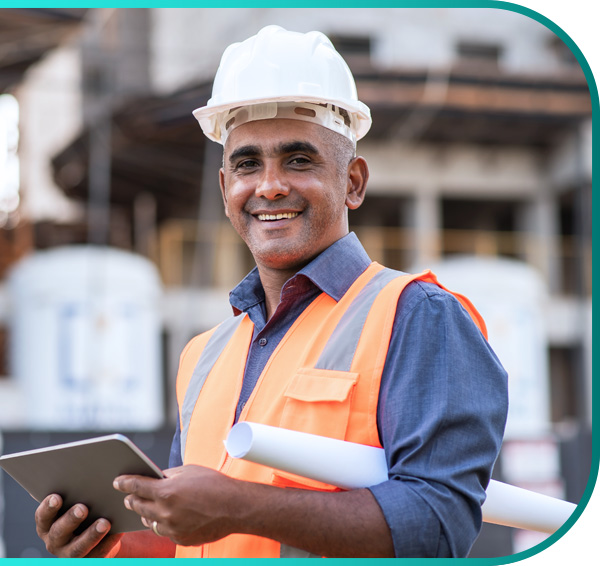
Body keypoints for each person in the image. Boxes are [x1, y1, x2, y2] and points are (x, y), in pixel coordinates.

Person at [34, 25, 508, 558]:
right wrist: (110, 546)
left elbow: (440, 523)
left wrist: (240, 505)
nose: (269, 185)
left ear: (352, 181)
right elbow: (195, 541)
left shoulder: (417, 316)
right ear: (224, 189)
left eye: (299, 160)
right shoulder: (203, 356)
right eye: (247, 163)